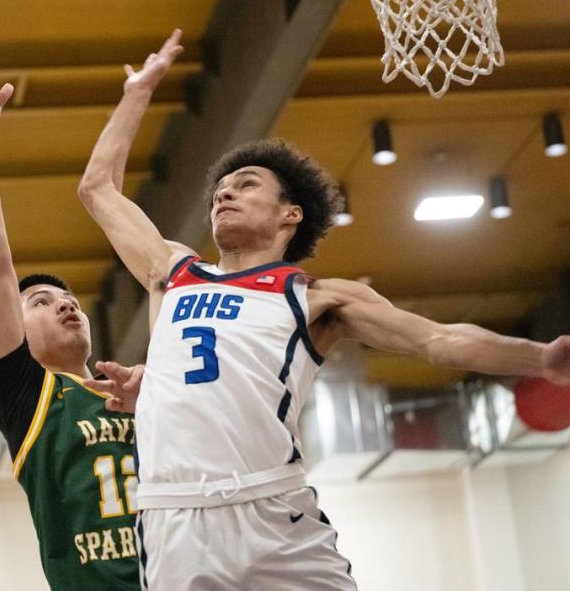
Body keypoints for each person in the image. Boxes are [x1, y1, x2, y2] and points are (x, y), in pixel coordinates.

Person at [77, 30, 570, 590]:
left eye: (245, 185)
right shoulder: (174, 270)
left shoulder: (318, 297)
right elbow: (98, 189)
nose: (223, 195)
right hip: (175, 518)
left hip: (274, 507)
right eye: (220, 190)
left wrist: (539, 358)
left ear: (290, 214)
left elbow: (438, 340)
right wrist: (137, 93)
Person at [0, 34, 141, 590]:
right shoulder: (29, 398)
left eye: (69, 300)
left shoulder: (143, 388)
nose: (64, 303)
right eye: (40, 301)